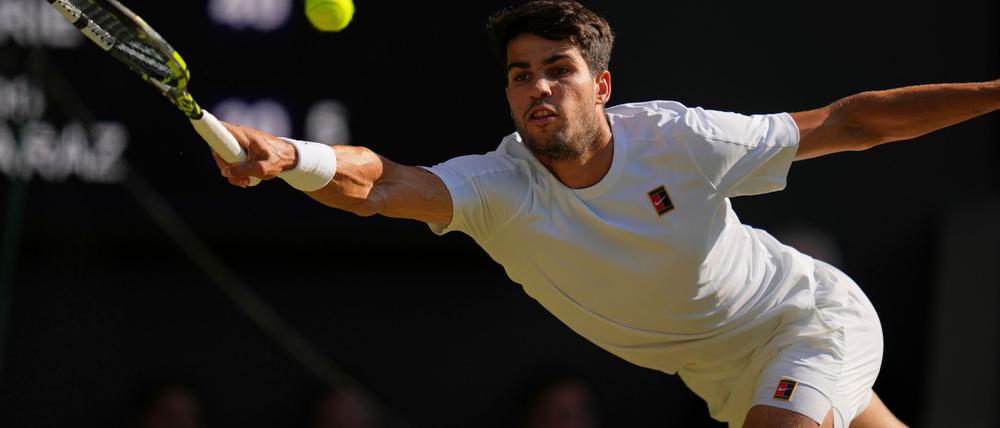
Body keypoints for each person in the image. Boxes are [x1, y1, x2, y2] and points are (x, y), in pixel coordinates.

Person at [210, 1, 1000, 426]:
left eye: (559, 70)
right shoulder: (500, 187)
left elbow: (852, 122)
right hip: (717, 377)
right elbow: (382, 185)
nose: (538, 88)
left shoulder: (683, 140)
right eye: (521, 76)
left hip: (805, 321)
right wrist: (290, 155)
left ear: (602, 86)